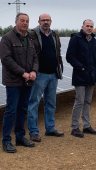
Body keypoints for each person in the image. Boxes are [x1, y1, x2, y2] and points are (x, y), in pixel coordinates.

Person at [0, 12, 39, 153]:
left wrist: (33, 72)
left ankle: (20, 137)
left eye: (27, 21)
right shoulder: (7, 38)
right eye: (22, 20)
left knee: (22, 109)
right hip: (14, 81)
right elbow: (6, 59)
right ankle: (6, 141)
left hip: (27, 81)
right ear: (16, 22)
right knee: (11, 110)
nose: (25, 23)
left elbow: (35, 57)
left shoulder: (30, 38)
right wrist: (23, 73)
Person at [27, 13, 64, 142]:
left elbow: (57, 52)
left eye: (47, 20)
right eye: (43, 20)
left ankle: (50, 128)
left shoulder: (54, 35)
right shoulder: (32, 35)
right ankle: (34, 131)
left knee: (51, 103)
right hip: (39, 74)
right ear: (39, 22)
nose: (45, 22)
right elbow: (29, 54)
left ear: (51, 21)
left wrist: (59, 68)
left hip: (53, 74)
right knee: (34, 103)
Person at [66, 19, 96, 138]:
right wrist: (81, 67)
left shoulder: (93, 40)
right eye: (87, 26)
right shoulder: (76, 38)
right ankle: (75, 127)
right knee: (79, 101)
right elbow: (69, 56)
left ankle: (86, 125)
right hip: (80, 76)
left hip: (91, 76)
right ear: (82, 27)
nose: (89, 28)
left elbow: (95, 56)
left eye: (91, 26)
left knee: (87, 101)